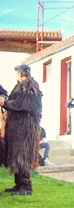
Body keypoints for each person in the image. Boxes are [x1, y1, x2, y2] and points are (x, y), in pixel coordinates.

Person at [0, 65, 42, 195]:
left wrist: (4, 104)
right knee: (16, 155)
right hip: (17, 127)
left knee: (22, 154)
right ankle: (18, 184)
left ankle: (25, 186)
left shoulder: (29, 86)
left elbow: (21, 105)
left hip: (25, 128)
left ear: (20, 73)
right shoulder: (22, 86)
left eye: (17, 73)